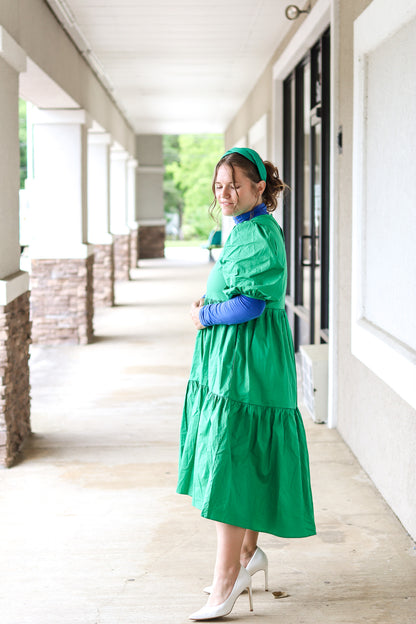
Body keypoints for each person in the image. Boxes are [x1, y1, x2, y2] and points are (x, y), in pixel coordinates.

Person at [176, 147, 316, 621]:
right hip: (244, 354)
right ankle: (246, 555)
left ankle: (226, 581)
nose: (226, 192)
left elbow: (250, 306)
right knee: (243, 452)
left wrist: (203, 314)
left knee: (231, 463)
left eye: (235, 184)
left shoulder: (256, 233)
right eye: (219, 186)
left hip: (248, 358)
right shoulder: (246, 228)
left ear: (260, 187)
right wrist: (211, 301)